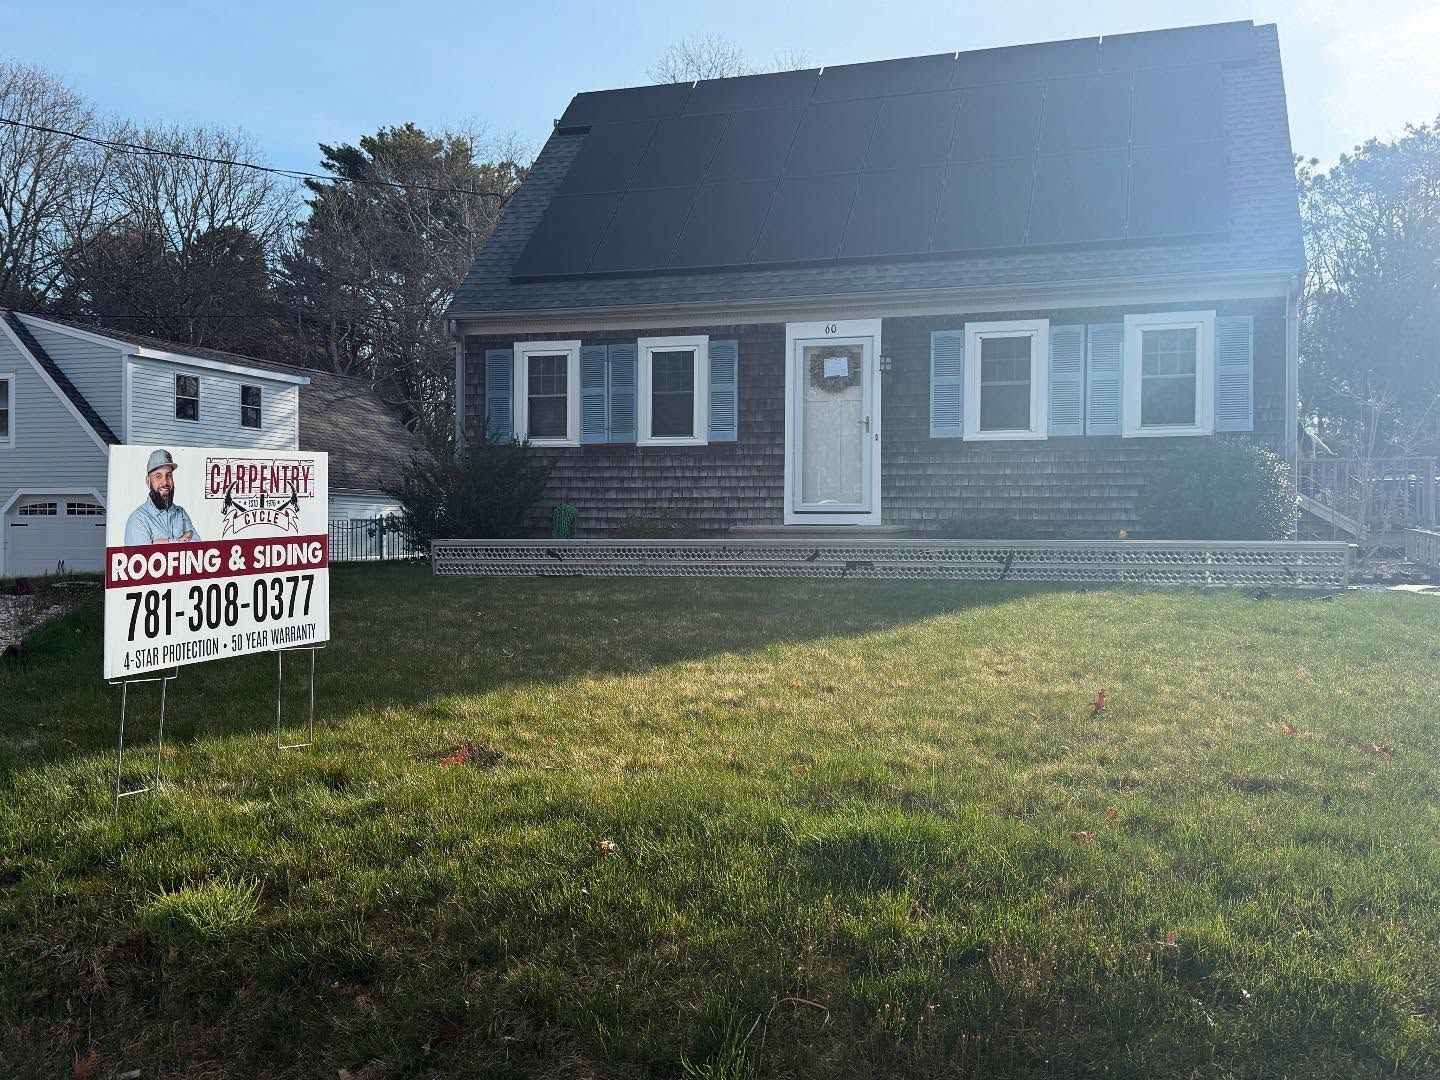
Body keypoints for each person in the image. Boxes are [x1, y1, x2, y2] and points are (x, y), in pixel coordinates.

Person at [124, 449, 200, 545]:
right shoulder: (138, 519)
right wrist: (182, 542)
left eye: (169, 476)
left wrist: (166, 543)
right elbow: (145, 558)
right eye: (158, 476)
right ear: (148, 482)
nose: (165, 482)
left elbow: (198, 549)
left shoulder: (180, 513)